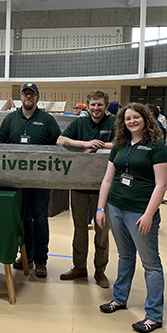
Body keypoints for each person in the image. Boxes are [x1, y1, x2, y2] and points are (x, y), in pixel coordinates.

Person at [96, 103, 167, 333]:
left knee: (151, 264)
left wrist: (148, 214)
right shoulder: (119, 145)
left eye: (136, 117)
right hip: (116, 207)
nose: (132, 122)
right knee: (125, 256)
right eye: (128, 118)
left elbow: (161, 184)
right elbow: (108, 179)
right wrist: (100, 209)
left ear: (145, 119)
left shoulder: (156, 146)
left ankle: (154, 315)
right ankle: (119, 298)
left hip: (140, 211)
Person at [0, 82, 61, 278]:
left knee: (39, 219)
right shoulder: (10, 120)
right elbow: (1, 146)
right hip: (15, 181)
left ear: (37, 98)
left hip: (40, 182)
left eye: (32, 94)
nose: (28, 97)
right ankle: (26, 256)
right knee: (21, 219)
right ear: (21, 98)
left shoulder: (48, 120)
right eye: (25, 94)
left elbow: (57, 147)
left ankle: (41, 260)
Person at [57, 90, 115, 287]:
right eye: (93, 105)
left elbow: (123, 144)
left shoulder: (114, 123)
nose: (96, 108)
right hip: (80, 185)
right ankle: (79, 267)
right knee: (79, 230)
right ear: (87, 106)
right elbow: (61, 140)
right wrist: (85, 143)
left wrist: (100, 146)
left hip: (104, 188)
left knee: (102, 231)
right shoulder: (79, 123)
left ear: (106, 106)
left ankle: (100, 271)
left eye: (100, 105)